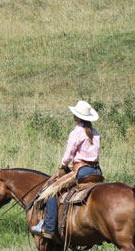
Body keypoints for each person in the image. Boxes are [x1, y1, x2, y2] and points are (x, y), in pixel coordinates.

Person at [31, 100, 103, 239]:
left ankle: (49, 228)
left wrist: (62, 166)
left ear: (78, 116)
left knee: (52, 190)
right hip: (96, 172)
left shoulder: (77, 132)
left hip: (81, 171)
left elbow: (69, 154)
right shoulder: (95, 133)